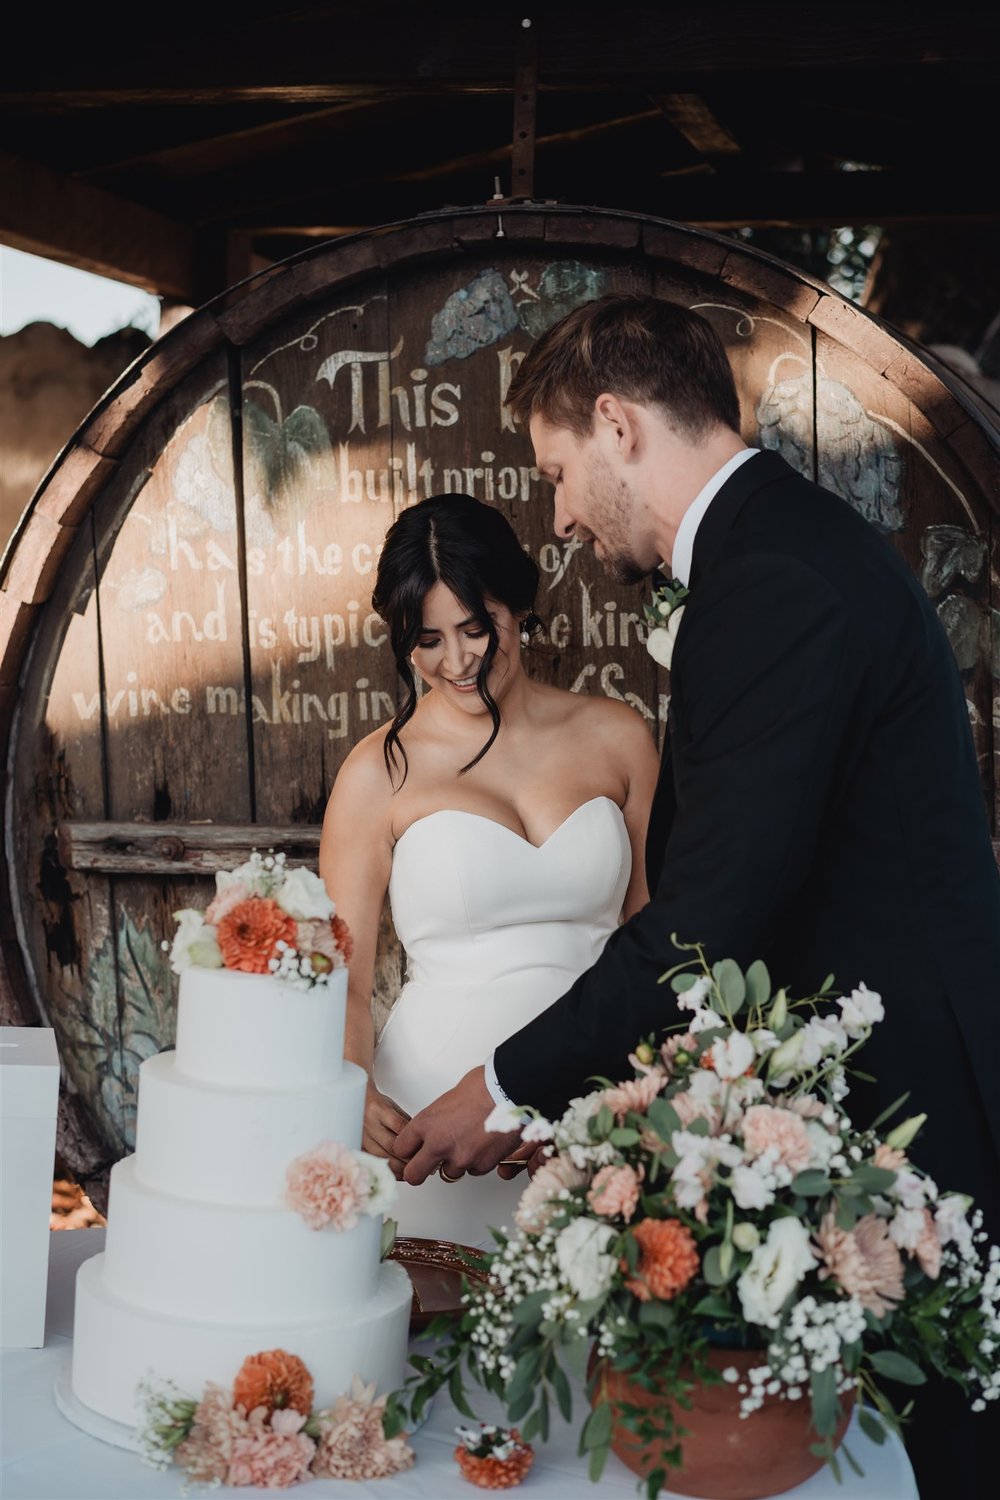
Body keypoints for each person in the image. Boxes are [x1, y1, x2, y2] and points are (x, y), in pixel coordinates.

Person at [390, 293, 1000, 1496]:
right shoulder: (782, 549)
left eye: (559, 472)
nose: (559, 517)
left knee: (947, 1452)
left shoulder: (768, 577)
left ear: (618, 424)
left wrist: (510, 1082)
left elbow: (714, 908)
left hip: (918, 1095)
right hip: (883, 1077)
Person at [318, 492, 659, 1248]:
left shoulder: (618, 736)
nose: (459, 660)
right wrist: (355, 1082)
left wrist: (637, 1099)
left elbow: (654, 935)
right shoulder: (377, 772)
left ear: (520, 607)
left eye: (479, 628)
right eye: (428, 639)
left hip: (598, 1106)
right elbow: (342, 967)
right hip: (433, 1118)